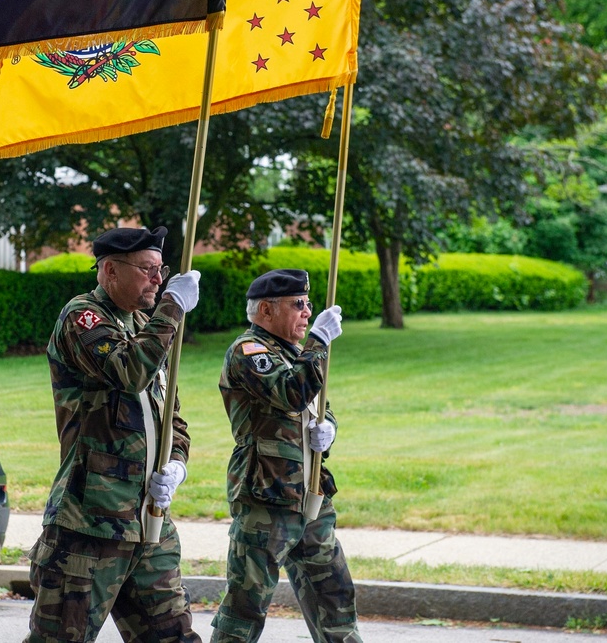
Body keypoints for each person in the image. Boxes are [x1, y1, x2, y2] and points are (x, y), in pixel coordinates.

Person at [24, 226, 203, 643]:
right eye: (147, 269)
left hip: (148, 521)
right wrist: (173, 308)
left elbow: (171, 416)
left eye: (162, 270)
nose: (158, 280)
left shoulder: (145, 323)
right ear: (109, 270)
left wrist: (176, 465)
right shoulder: (82, 317)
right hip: (91, 523)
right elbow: (130, 371)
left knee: (174, 636)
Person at [210, 269, 362, 643]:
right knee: (247, 604)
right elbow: (291, 391)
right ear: (265, 310)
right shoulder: (249, 352)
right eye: (298, 305)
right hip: (267, 497)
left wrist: (329, 430)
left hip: (309, 493)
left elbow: (316, 406)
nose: (308, 312)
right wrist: (319, 341)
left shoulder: (290, 352)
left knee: (334, 593)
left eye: (308, 304)